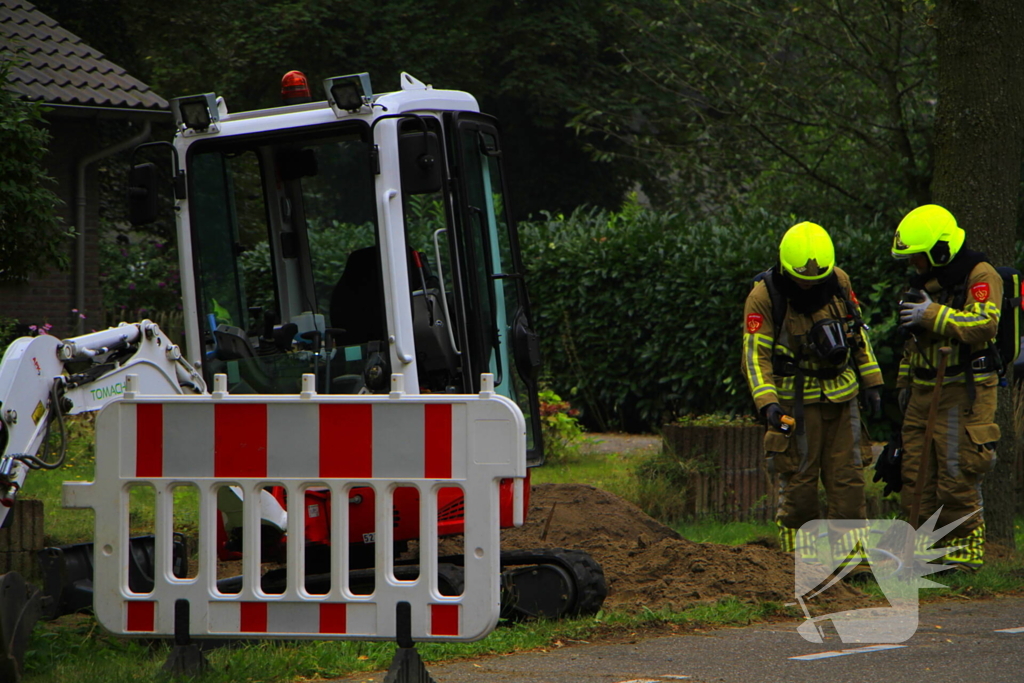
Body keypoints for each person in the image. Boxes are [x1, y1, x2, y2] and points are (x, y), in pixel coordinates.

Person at [742, 222, 882, 573]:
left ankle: (852, 563)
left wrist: (873, 381)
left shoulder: (839, 281)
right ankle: (796, 562)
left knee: (848, 480)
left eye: (817, 279)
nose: (811, 285)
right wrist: (768, 403)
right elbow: (754, 355)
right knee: (798, 482)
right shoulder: (764, 296)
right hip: (793, 406)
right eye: (803, 280)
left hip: (842, 396)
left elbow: (856, 332)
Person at [892, 204, 1001, 572]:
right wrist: (903, 384)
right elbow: (913, 343)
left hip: (963, 391)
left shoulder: (980, 275)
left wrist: (932, 314)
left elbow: (984, 324)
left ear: (939, 251)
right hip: (923, 391)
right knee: (916, 473)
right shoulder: (924, 284)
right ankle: (921, 549)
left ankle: (966, 550)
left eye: (919, 258)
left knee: (957, 471)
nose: (915, 266)